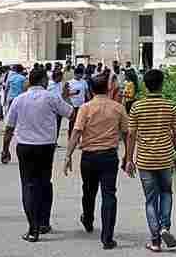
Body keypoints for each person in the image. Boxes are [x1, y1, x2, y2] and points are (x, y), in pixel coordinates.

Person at [1, 69, 74, 242]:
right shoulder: (51, 97)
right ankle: (44, 222)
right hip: (45, 147)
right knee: (44, 183)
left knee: (28, 185)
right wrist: (66, 97)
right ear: (42, 81)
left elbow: (9, 127)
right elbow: (71, 113)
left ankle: (33, 228)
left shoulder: (19, 100)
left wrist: (5, 149)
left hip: (25, 146)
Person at [63, 73, 129, 250]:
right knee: (109, 195)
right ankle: (107, 237)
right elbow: (126, 134)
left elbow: (76, 133)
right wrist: (128, 156)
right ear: (108, 88)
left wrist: (68, 155)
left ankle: (88, 218)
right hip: (109, 156)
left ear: (90, 89)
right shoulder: (118, 108)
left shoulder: (85, 108)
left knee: (88, 190)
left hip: (89, 157)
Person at [125, 69, 176, 253]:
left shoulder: (137, 107)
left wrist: (129, 159)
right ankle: (165, 226)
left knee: (151, 200)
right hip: (165, 159)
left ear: (145, 85)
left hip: (144, 160)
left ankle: (156, 240)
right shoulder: (171, 106)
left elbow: (131, 136)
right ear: (162, 84)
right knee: (166, 193)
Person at [67, 66, 90, 138]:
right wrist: (74, 93)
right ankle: (71, 136)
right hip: (73, 104)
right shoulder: (70, 83)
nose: (81, 75)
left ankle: (79, 137)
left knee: (82, 121)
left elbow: (87, 92)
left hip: (82, 105)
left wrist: (89, 102)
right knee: (72, 121)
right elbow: (66, 94)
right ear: (76, 74)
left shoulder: (84, 82)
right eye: (80, 74)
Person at [47, 69, 65, 143]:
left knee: (58, 125)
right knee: (51, 125)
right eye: (60, 77)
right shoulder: (49, 84)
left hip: (59, 108)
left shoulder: (60, 84)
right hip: (51, 108)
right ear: (56, 77)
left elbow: (61, 94)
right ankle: (50, 140)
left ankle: (55, 141)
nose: (61, 78)